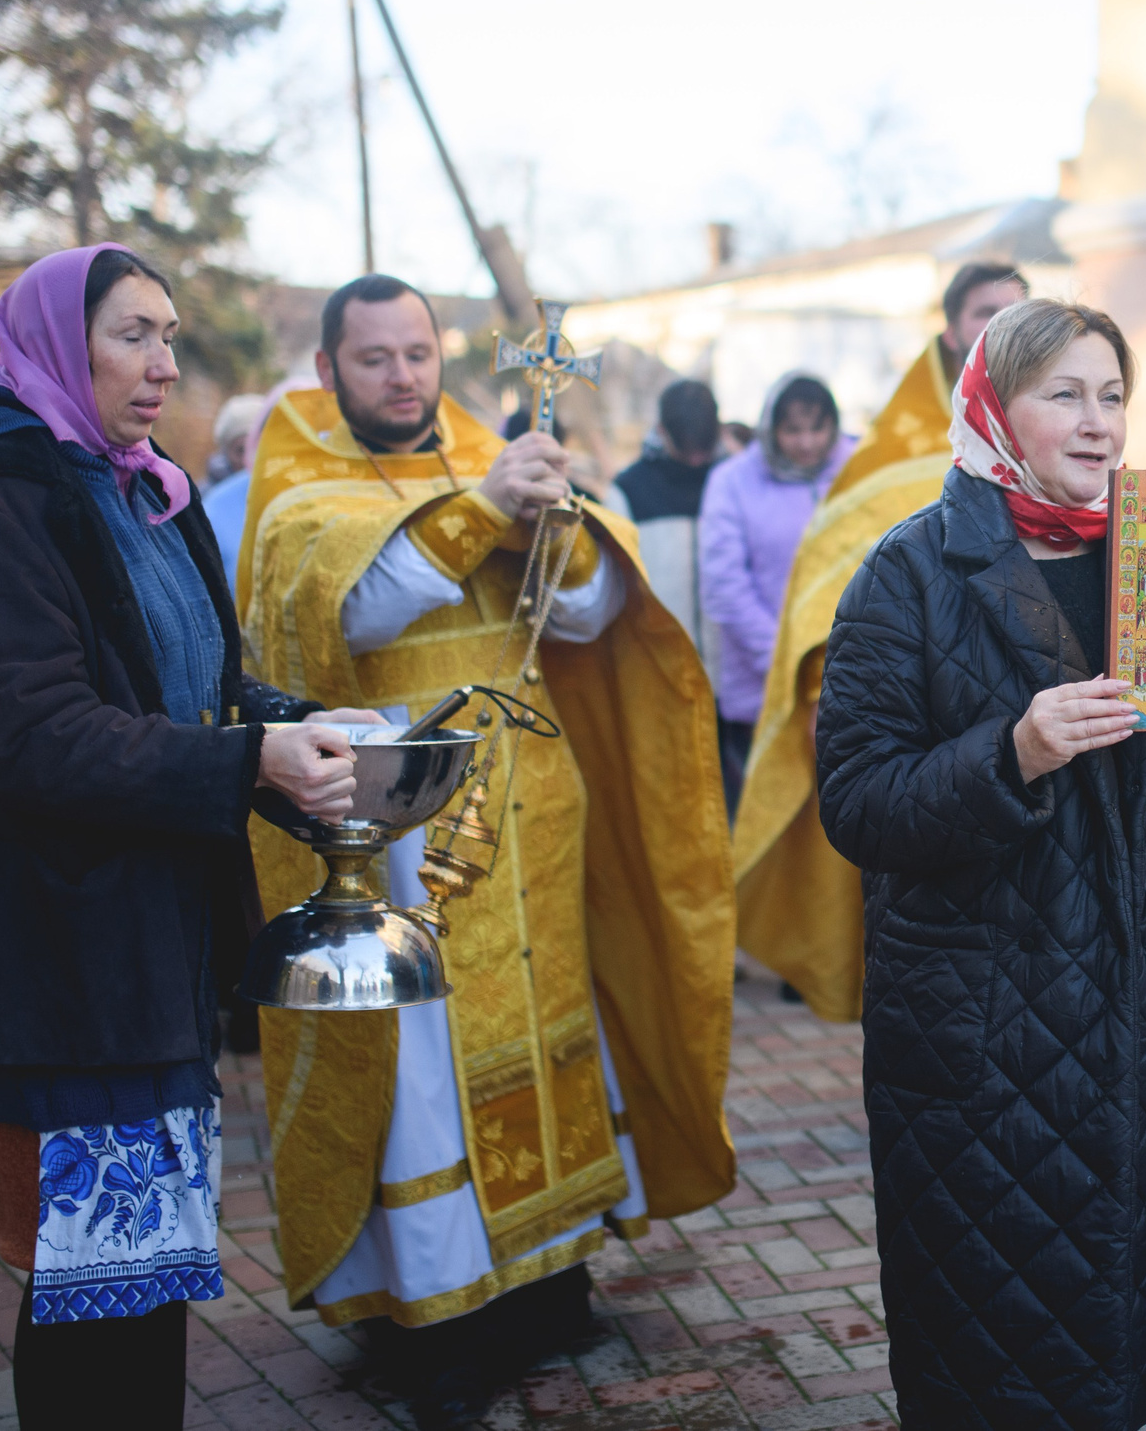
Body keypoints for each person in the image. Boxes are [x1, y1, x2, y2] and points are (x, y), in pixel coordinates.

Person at [234, 273, 735, 1431]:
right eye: (375, 358)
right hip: (394, 822)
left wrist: (558, 529)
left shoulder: (491, 448)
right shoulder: (296, 476)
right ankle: (434, 1309)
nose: (403, 376)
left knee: (553, 1033)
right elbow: (345, 612)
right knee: (421, 1068)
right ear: (329, 371)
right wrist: (483, 513)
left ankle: (548, 1269)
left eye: (417, 352)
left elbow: (590, 617)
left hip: (528, 802)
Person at [0, 244, 369, 1428]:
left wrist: (295, 725)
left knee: (140, 1279)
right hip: (57, 948)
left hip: (146, 944)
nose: (163, 365)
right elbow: (33, 736)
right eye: (132, 336)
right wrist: (243, 758)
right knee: (97, 1293)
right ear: (58, 342)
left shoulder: (142, 487)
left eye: (169, 336)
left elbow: (187, 687)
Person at [816, 299, 1146, 1429]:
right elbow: (857, 803)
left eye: (1113, 396)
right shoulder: (911, 573)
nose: (1097, 423)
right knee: (1001, 1348)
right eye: (1064, 395)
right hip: (991, 1023)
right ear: (992, 404)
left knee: (1126, 1330)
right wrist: (1012, 753)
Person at [731, 261, 1029, 1018]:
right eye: (985, 313)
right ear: (950, 329)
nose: (1001, 331)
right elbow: (832, 599)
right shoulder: (886, 460)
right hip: (935, 731)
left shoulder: (1072, 446)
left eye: (1020, 315)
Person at [698, 370, 856, 812]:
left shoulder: (858, 470)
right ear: (771, 427)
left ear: (834, 425)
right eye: (792, 430)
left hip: (854, 680)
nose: (806, 443)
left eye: (817, 428)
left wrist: (842, 670)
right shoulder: (732, 481)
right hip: (763, 686)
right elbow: (726, 587)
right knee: (769, 817)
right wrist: (793, 665)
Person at [604, 377, 722, 676]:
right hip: (660, 667)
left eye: (703, 451)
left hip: (730, 673)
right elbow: (615, 588)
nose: (696, 462)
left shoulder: (735, 480)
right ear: (661, 431)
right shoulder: (627, 490)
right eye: (686, 451)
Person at [194, 391, 267, 592]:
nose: (248, 461)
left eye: (258, 448)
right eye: (240, 450)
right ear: (224, 452)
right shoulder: (204, 503)